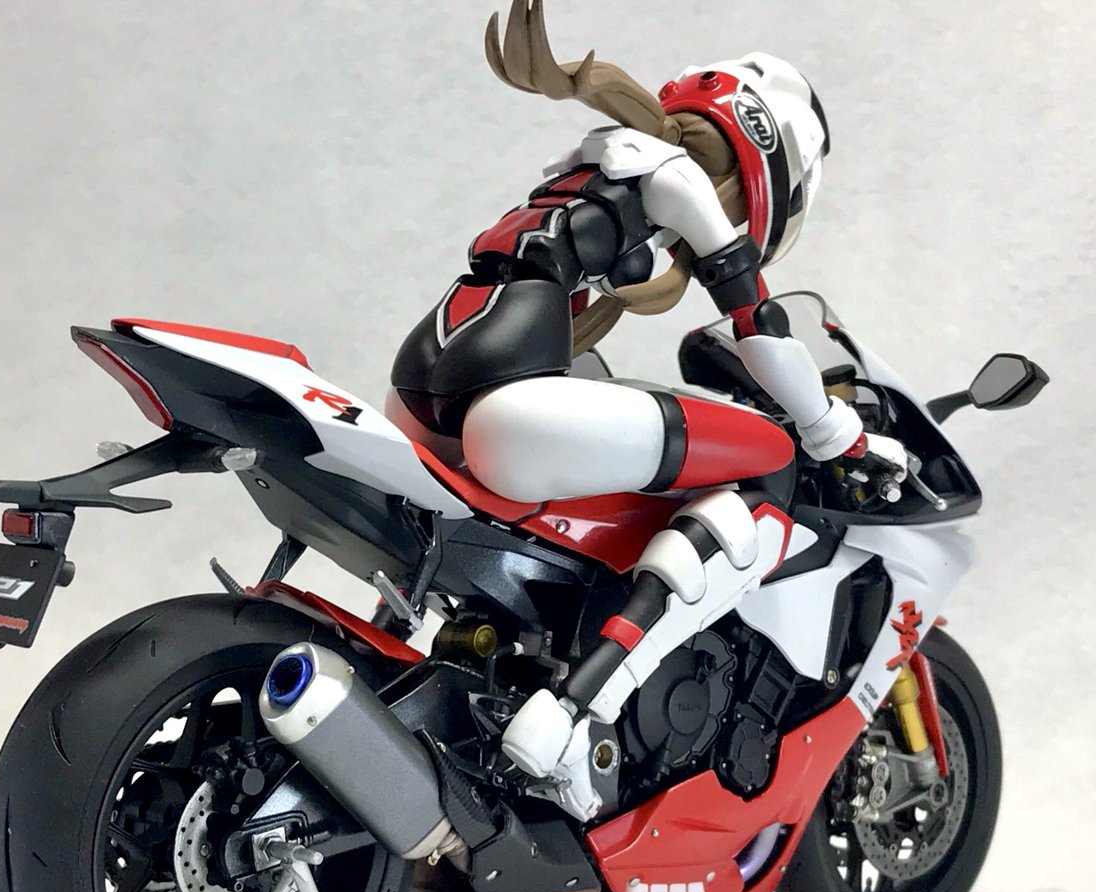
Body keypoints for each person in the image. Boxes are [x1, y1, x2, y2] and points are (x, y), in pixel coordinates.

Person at [386, 0, 908, 821]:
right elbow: (760, 326)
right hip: (505, 412)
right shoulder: (676, 179)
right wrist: (835, 433)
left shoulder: (588, 164)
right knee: (770, 460)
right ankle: (571, 713)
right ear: (763, 154)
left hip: (419, 389)